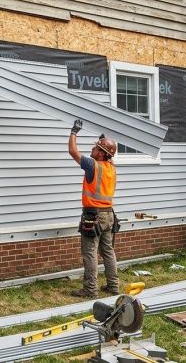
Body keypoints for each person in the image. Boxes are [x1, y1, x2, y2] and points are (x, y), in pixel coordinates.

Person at [68, 119, 120, 298]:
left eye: (96, 148)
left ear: (101, 154)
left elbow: (73, 152)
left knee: (90, 253)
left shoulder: (93, 165)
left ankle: (90, 290)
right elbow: (108, 156)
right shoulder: (111, 168)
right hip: (109, 216)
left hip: (93, 215)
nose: (92, 150)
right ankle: (113, 287)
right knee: (108, 252)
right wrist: (103, 139)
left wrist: (74, 132)